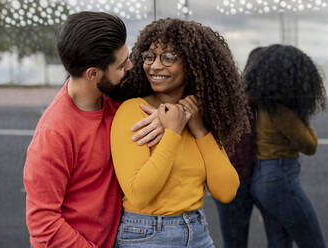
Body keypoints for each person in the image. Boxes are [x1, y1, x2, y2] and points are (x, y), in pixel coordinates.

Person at [23, 12, 163, 248]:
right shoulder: (54, 133)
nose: (130, 66)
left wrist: (167, 114)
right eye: (121, 65)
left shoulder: (115, 97)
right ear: (93, 74)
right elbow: (42, 223)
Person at [109, 18, 250, 247]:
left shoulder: (198, 116)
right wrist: (173, 132)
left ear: (193, 64)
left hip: (197, 232)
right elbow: (139, 194)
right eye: (150, 56)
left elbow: (226, 191)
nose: (154, 66)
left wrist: (198, 127)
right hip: (147, 235)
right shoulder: (134, 111)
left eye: (168, 58)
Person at [215, 44, 328, 248]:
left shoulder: (251, 102)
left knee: (264, 241)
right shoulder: (274, 107)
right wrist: (302, 116)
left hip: (252, 178)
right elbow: (309, 145)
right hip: (271, 177)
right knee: (308, 241)